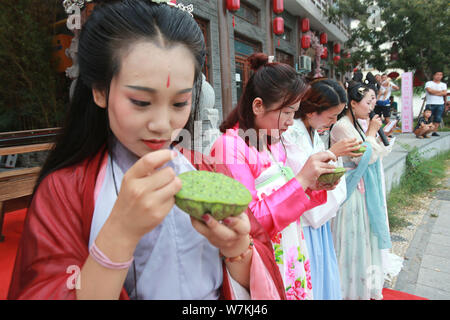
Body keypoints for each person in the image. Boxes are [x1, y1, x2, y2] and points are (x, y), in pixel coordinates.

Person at [8, 0, 285, 300]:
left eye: (180, 103)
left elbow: (256, 267)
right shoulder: (64, 191)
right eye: (140, 102)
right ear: (100, 91)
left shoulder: (205, 169)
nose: (163, 124)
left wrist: (237, 250)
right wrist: (120, 234)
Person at [210, 53, 339, 300]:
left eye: (295, 113)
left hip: (289, 249)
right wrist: (302, 180)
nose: (291, 122)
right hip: (260, 259)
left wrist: (316, 184)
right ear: (258, 106)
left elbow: (290, 201)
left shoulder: (272, 143)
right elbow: (246, 223)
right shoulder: (230, 147)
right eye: (287, 112)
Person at [282, 78, 363, 300]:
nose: (334, 121)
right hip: (303, 220)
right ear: (311, 112)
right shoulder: (290, 134)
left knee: (322, 276)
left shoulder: (313, 132)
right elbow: (302, 174)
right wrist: (334, 154)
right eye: (330, 116)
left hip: (318, 220)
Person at [330, 81, 392, 300]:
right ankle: (346, 290)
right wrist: (372, 134)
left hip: (364, 191)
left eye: (374, 100)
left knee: (366, 239)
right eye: (368, 101)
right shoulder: (342, 126)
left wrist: (373, 135)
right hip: (351, 191)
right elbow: (363, 157)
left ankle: (365, 287)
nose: (372, 105)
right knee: (351, 241)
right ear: (353, 104)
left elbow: (376, 152)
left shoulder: (357, 124)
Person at [425, 71, 447, 137]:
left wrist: (434, 92)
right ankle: (425, 131)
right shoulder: (428, 83)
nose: (439, 76)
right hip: (430, 103)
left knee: (438, 118)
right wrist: (440, 92)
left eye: (441, 75)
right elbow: (429, 91)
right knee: (427, 118)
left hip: (440, 104)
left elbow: (444, 93)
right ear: (433, 76)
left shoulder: (443, 84)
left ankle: (434, 132)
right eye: (437, 74)